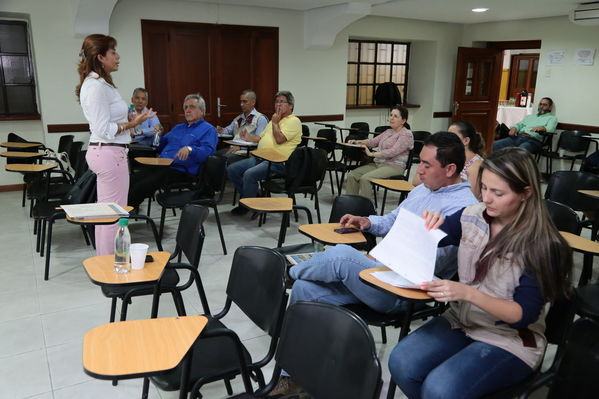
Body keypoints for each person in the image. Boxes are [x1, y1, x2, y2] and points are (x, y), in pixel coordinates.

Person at [268, 132, 478, 396]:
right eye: (420, 162)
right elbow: (393, 219)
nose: (419, 171)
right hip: (379, 273)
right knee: (305, 289)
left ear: (450, 169)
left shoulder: (465, 208)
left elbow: (436, 262)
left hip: (406, 289)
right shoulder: (425, 189)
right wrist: (367, 222)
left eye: (426, 165)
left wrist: (383, 257)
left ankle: (284, 272)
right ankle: (295, 377)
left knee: (342, 256)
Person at [389, 147, 572, 399]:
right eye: (483, 188)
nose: (486, 198)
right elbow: (439, 235)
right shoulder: (473, 215)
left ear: (525, 194)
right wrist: (428, 224)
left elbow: (522, 315)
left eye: (498, 193)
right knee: (402, 362)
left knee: (440, 388)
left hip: (509, 338)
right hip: (464, 320)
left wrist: (467, 293)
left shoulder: (542, 245)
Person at [76, 34, 154, 255]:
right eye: (113, 52)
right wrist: (131, 124)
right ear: (100, 57)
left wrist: (131, 123)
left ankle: (106, 262)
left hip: (108, 152)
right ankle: (112, 266)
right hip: (109, 153)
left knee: (107, 213)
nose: (118, 56)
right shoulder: (95, 86)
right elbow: (103, 129)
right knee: (115, 215)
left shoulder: (100, 83)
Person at [128, 93, 217, 209]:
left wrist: (190, 149)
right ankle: (121, 210)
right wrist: (157, 135)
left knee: (142, 186)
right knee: (131, 180)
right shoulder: (178, 127)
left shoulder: (208, 129)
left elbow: (208, 152)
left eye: (192, 107)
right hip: (161, 165)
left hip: (180, 170)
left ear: (202, 111)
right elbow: (159, 145)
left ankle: (124, 215)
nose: (188, 110)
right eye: (185, 107)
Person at [227, 90, 301, 215]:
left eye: (282, 102)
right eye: (276, 102)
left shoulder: (293, 121)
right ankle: (253, 197)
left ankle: (248, 206)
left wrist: (276, 123)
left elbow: (279, 139)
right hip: (260, 157)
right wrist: (248, 138)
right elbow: (260, 137)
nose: (278, 105)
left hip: (277, 162)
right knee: (232, 169)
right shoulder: (273, 120)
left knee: (249, 175)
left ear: (290, 106)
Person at [345, 106, 413, 197]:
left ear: (403, 121)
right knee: (352, 175)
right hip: (379, 164)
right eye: (391, 115)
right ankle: (351, 205)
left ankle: (364, 208)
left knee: (366, 178)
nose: (391, 118)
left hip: (394, 166)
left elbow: (392, 152)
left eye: (396, 116)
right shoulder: (388, 131)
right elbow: (372, 142)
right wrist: (357, 142)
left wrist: (372, 154)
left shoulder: (406, 134)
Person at [413, 121, 484, 198]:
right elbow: (416, 182)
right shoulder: (445, 156)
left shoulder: (477, 165)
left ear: (466, 141)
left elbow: (471, 197)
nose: (448, 139)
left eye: (453, 135)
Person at [216, 89, 268, 164]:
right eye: (241, 101)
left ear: (253, 102)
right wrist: (221, 130)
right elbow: (228, 130)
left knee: (223, 160)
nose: (241, 104)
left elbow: (259, 141)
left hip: (247, 151)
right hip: (234, 148)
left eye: (245, 101)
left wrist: (240, 147)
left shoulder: (260, 119)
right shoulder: (238, 118)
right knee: (213, 157)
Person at [492, 97, 557, 154]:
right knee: (493, 145)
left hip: (533, 141)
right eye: (540, 104)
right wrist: (514, 128)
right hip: (518, 137)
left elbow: (550, 129)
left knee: (519, 152)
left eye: (545, 105)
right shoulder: (530, 117)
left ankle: (510, 167)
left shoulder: (552, 118)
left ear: (550, 107)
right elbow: (519, 124)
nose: (541, 106)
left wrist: (542, 128)